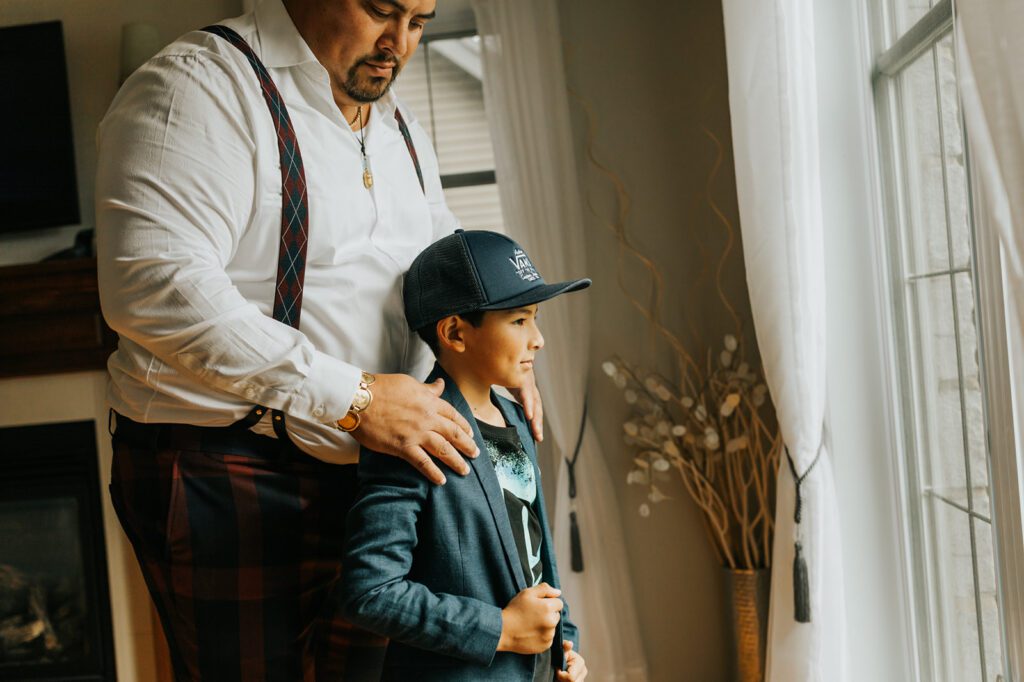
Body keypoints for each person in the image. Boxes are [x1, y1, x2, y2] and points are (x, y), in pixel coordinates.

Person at [95, 0, 544, 679]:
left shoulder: (401, 126)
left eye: (419, 21)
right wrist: (357, 398)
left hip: (378, 473)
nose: (398, 44)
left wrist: (497, 350)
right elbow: (154, 284)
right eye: (381, 11)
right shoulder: (198, 87)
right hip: (233, 467)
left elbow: (444, 266)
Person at [340, 229, 590, 681]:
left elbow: (533, 552)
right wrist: (501, 629)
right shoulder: (413, 435)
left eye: (535, 319)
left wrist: (564, 645)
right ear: (455, 332)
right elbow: (370, 591)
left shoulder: (518, 420)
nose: (538, 339)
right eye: (519, 321)